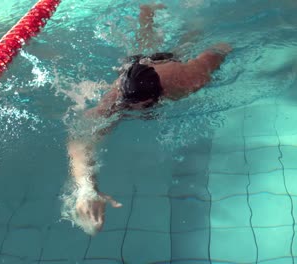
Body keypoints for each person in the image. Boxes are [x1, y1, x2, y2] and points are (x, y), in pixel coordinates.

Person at [66, 3, 232, 235]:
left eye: (138, 105)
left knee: (191, 36)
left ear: (156, 97)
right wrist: (86, 189)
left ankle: (190, 9)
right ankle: (147, 8)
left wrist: (219, 54)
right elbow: (80, 140)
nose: (130, 108)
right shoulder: (115, 101)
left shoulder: (186, 79)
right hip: (134, 65)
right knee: (143, 47)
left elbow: (220, 48)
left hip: (168, 64)